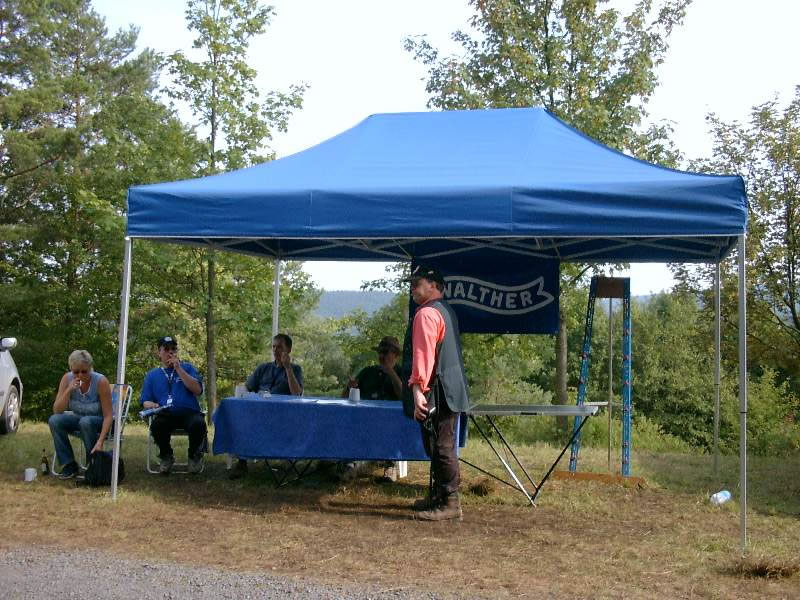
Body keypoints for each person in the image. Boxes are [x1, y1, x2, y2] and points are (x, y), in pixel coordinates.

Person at [407, 264, 470, 521]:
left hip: (439, 388)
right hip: (451, 386)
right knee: (439, 445)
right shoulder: (446, 310)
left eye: (417, 283)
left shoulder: (426, 314)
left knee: (441, 447)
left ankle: (450, 503)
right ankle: (439, 496)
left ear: (433, 286)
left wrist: (418, 391)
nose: (412, 288)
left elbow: (423, 357)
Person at [229, 333, 303, 479]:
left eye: (279, 347)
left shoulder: (295, 369)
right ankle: (242, 462)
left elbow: (297, 393)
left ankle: (288, 460)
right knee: (239, 419)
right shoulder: (263, 368)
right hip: (258, 413)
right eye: (273, 347)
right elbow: (246, 388)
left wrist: (287, 368)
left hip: (282, 417)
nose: (275, 350)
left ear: (288, 350)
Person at [140, 336, 206, 475]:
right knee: (157, 425)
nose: (170, 352)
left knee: (198, 423)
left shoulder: (188, 368)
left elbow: (198, 390)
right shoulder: (152, 375)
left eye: (173, 349)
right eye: (166, 349)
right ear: (159, 352)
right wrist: (152, 405)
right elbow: (145, 401)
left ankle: (194, 456)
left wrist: (179, 369)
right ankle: (166, 456)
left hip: (189, 412)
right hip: (166, 413)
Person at [341, 335, 403, 481]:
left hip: (392, 421)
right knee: (348, 422)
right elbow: (344, 398)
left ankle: (390, 466)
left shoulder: (402, 373)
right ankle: (349, 464)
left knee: (390, 426)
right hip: (365, 419)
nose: (381, 356)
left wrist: (390, 371)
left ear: (395, 354)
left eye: (385, 352)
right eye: (380, 352)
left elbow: (403, 396)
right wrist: (349, 387)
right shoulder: (368, 372)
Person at [49, 350, 113, 479]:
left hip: (98, 421)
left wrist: (100, 441)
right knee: (54, 420)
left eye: (84, 371)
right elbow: (57, 410)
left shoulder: (100, 381)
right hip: (78, 418)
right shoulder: (67, 379)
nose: (80, 375)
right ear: (71, 369)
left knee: (86, 421)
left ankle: (93, 463)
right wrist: (69, 390)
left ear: (90, 368)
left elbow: (108, 415)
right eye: (76, 372)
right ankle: (69, 464)